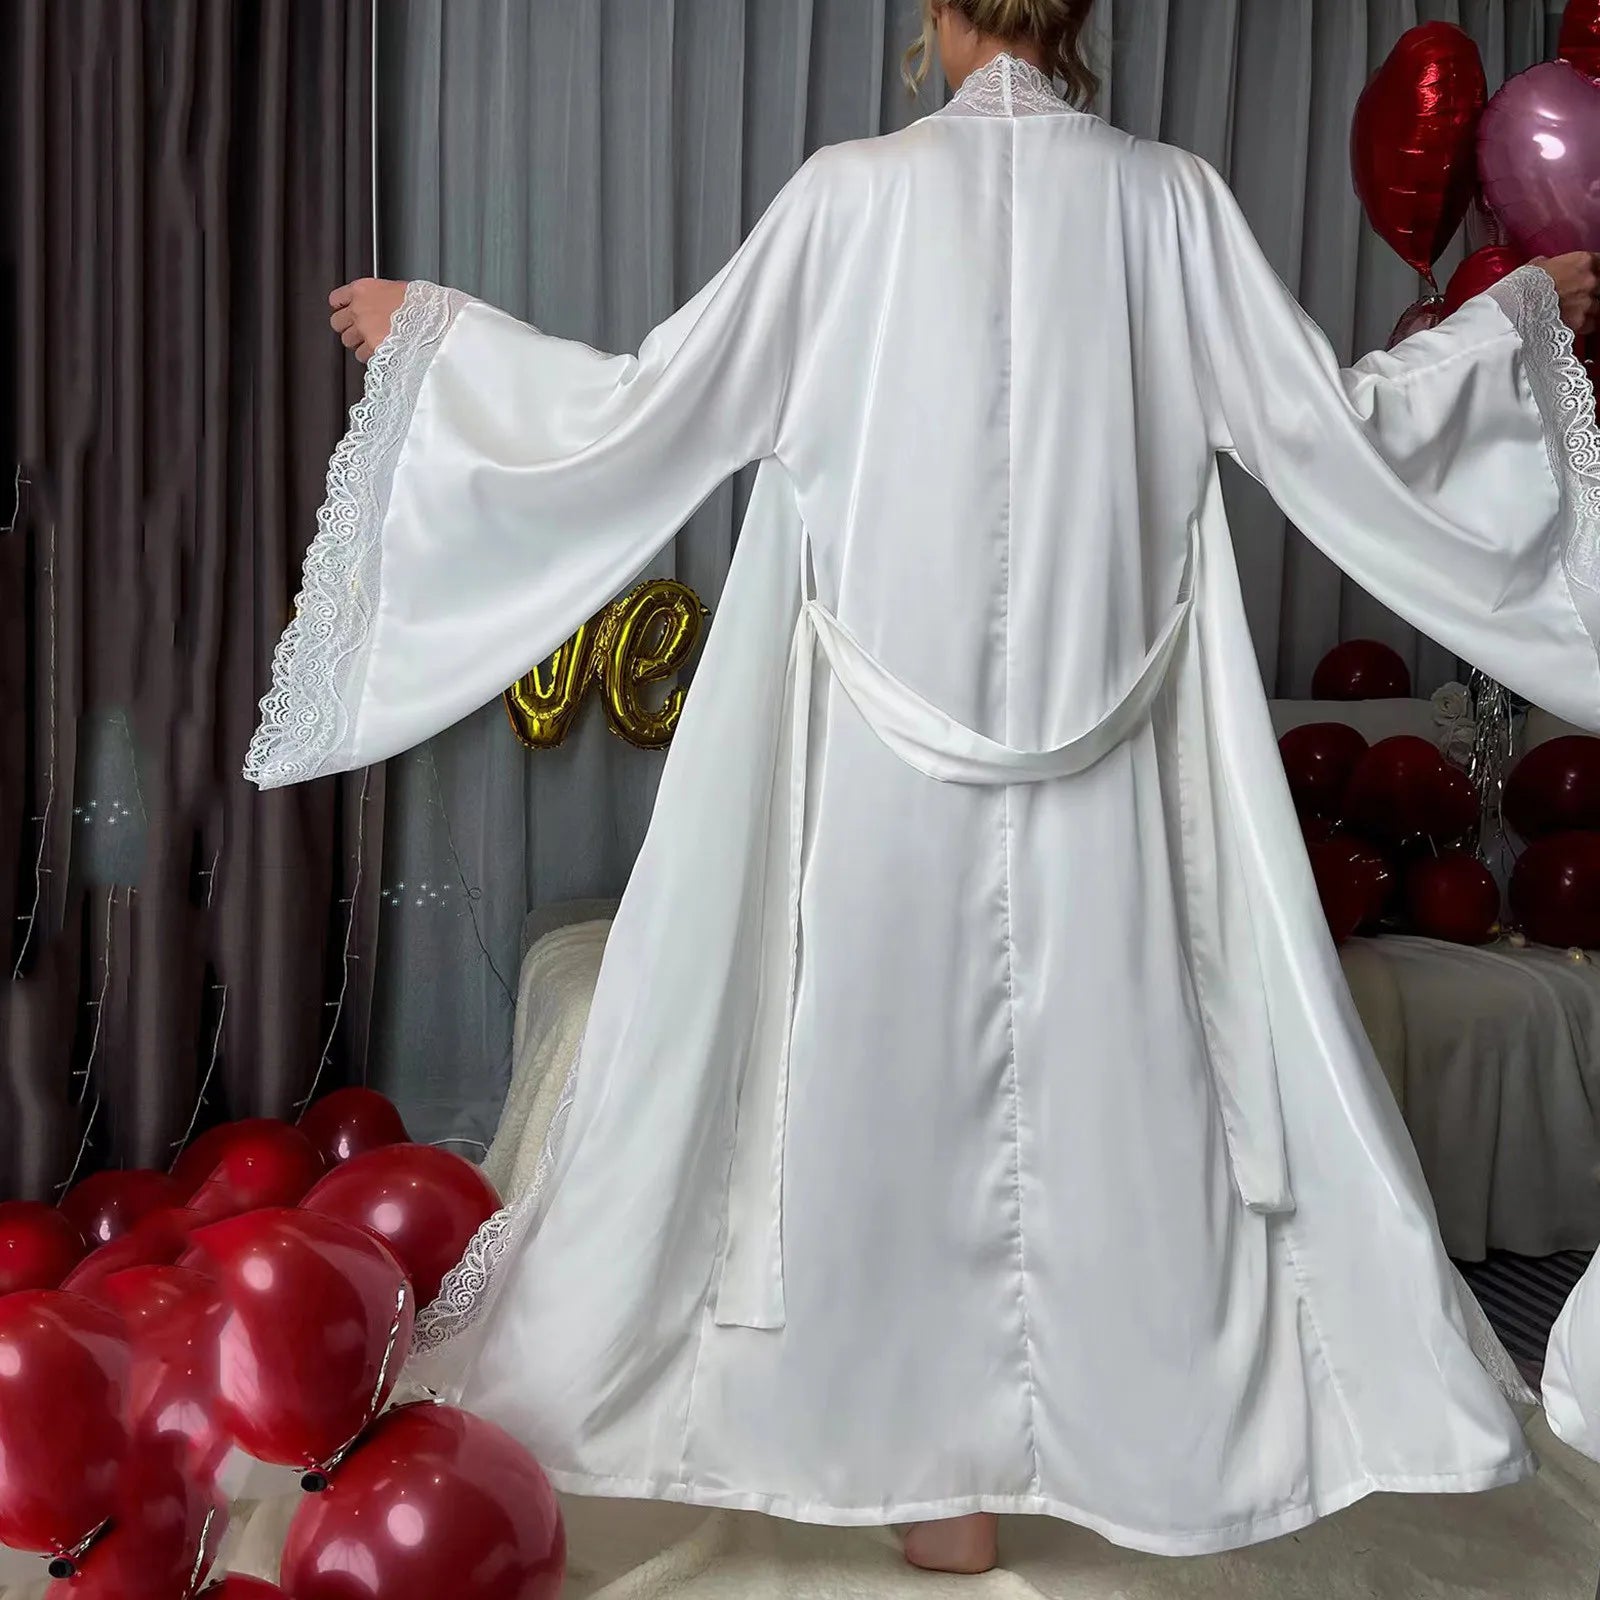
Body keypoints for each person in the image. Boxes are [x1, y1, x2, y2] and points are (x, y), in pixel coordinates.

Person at [246, 0, 1600, 1578]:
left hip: (880, 767)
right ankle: (1139, 1437)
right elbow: (1335, 431)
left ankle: (913, 1458)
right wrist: (1507, 334)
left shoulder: (849, 200)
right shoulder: (1170, 204)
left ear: (937, 13)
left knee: (870, 1083)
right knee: (1126, 1091)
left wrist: (440, 342)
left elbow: (650, 408)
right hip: (1113, 761)